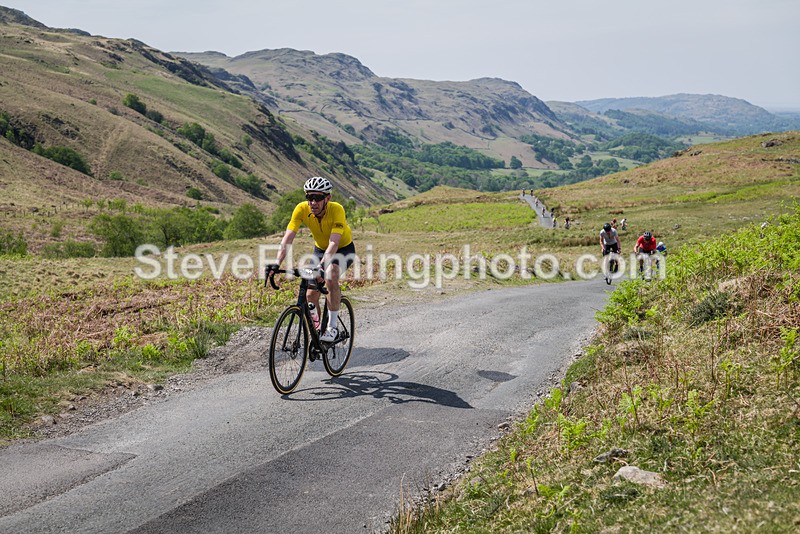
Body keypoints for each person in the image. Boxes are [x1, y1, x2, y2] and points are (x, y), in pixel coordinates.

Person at [273, 176, 356, 342]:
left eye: (318, 198)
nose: (313, 202)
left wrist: (322, 267)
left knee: (331, 275)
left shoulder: (337, 209)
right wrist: (276, 263)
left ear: (327, 198)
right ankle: (318, 332)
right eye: (310, 197)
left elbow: (334, 243)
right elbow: (288, 238)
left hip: (342, 248)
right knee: (311, 295)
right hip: (320, 250)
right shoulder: (301, 209)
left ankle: (332, 328)